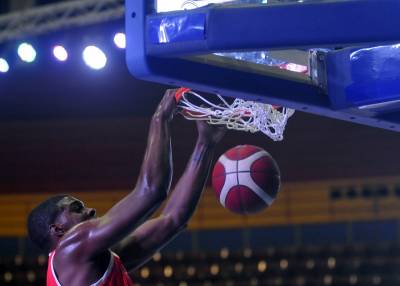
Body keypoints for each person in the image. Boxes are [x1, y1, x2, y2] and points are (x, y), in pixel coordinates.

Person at [27, 89, 226, 286]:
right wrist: (160, 118)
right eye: (77, 209)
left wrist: (205, 143)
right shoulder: (70, 249)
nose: (91, 210)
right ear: (58, 229)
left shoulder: (94, 261)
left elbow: (173, 220)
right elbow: (151, 191)